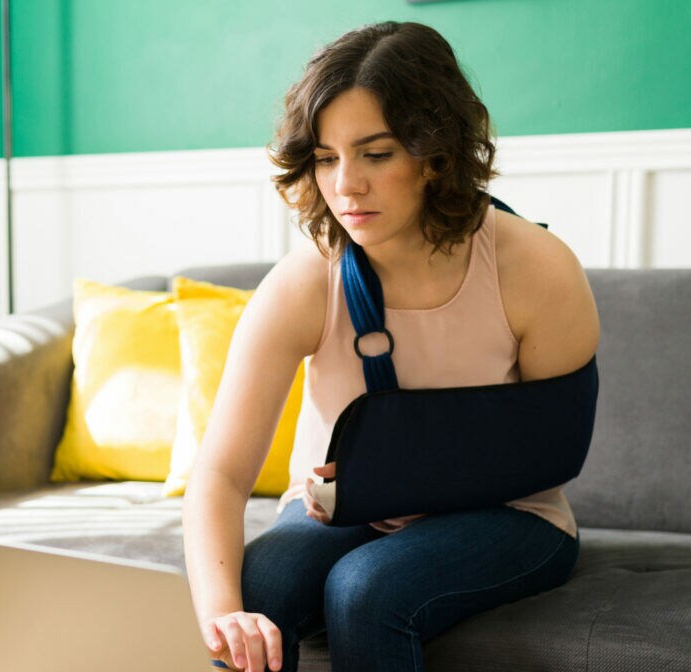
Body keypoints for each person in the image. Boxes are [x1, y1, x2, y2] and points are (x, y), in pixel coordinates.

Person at [182, 21, 599, 672]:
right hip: (345, 511)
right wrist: (220, 613)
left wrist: (400, 472)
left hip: (514, 517)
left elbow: (553, 452)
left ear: (437, 153)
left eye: (375, 154)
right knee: (258, 584)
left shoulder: (537, 269)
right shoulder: (304, 282)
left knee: (364, 590)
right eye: (326, 157)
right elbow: (221, 473)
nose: (346, 185)